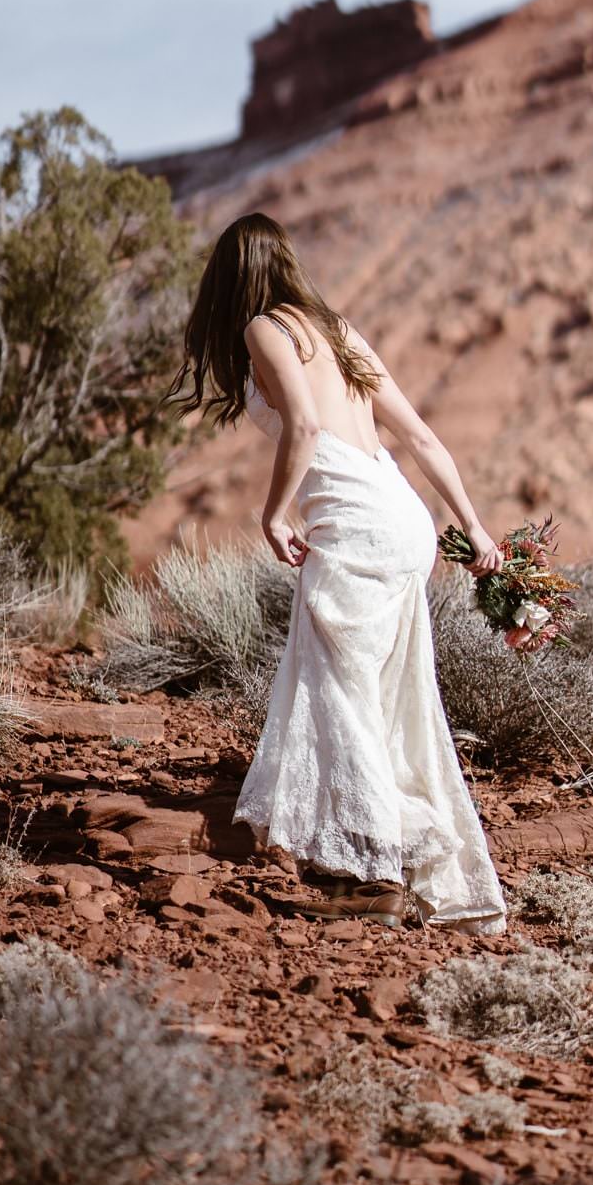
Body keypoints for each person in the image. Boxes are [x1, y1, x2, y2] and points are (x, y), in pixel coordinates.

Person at [168, 211, 508, 933]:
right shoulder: (336, 329)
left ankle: (377, 872)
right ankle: (388, 854)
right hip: (403, 520)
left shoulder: (265, 328)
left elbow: (304, 425)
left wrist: (274, 513)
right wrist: (471, 524)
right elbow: (418, 435)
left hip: (355, 528)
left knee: (342, 694)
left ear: (231, 277)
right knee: (377, 695)